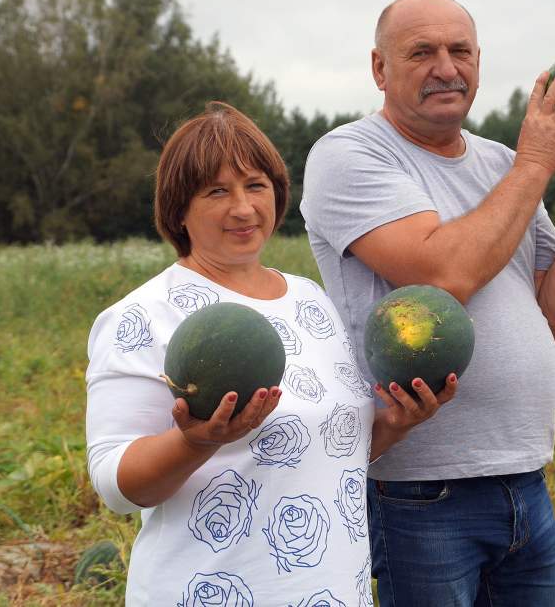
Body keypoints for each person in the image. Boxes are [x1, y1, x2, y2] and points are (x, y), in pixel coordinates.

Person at [300, 0, 555, 606]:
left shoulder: (501, 164)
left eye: (461, 51)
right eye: (421, 52)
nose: (446, 68)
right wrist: (536, 162)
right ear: (380, 68)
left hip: (524, 479)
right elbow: (442, 278)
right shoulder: (348, 155)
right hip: (419, 490)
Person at [85, 102, 455, 606]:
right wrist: (195, 442)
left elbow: (328, 452)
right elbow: (116, 484)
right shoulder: (143, 316)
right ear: (178, 209)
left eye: (255, 186)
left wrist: (396, 424)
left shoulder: (309, 300)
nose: (243, 208)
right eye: (217, 191)